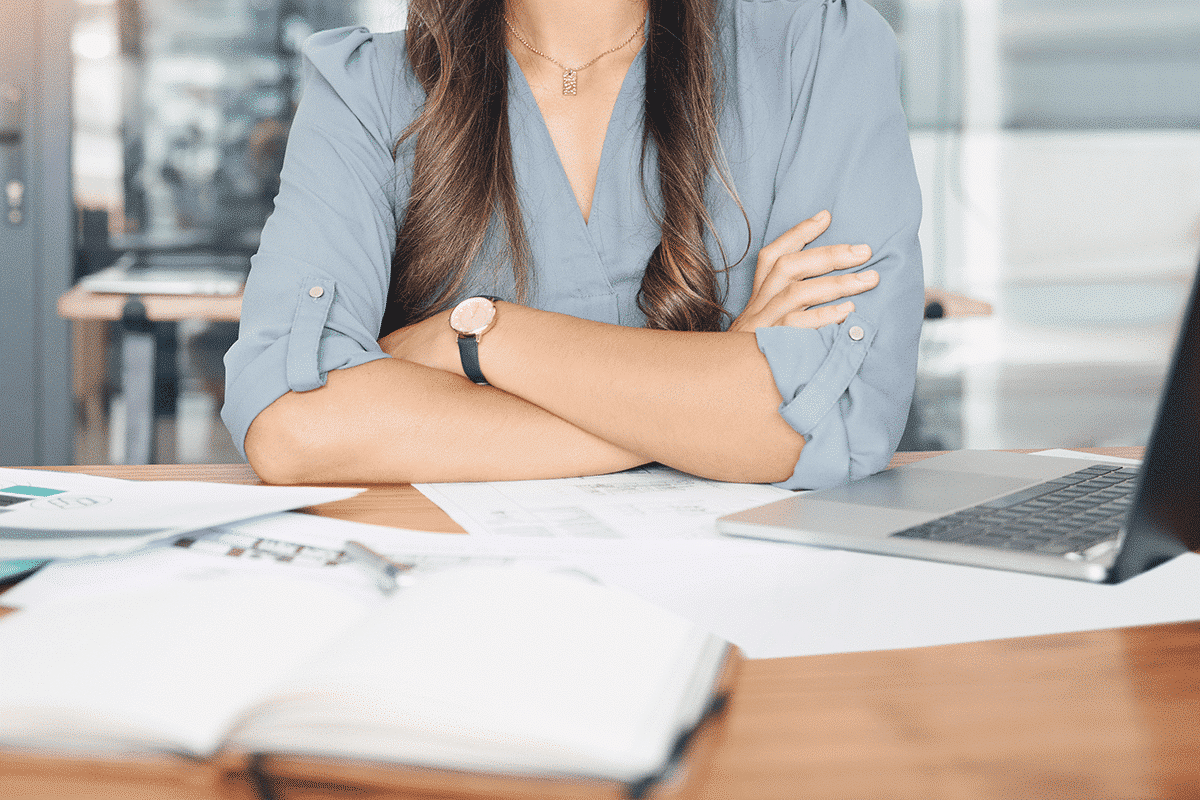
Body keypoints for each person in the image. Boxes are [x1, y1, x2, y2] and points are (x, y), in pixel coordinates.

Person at [222, 0, 924, 489]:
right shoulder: (367, 88)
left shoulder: (819, 51)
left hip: (751, 605)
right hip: (459, 605)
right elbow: (294, 427)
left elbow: (836, 419)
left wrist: (482, 340)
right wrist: (705, 410)